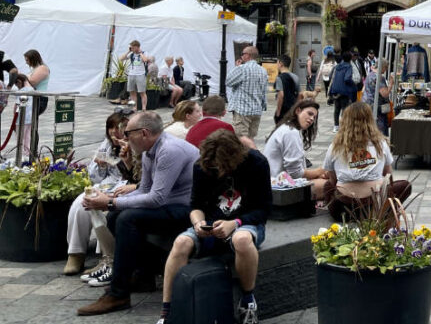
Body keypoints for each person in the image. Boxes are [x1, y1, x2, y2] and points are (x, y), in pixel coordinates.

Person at [77, 111, 200, 316]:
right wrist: (110, 203)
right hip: (171, 204)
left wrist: (109, 202)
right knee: (116, 216)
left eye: (127, 133)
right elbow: (144, 189)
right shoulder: (151, 149)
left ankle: (118, 294)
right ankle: (143, 274)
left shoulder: (169, 150)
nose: (124, 138)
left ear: (143, 133)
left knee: (127, 219)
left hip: (191, 211)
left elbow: (156, 199)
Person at [157, 130, 271, 324]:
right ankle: (166, 312)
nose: (218, 170)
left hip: (245, 222)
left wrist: (234, 224)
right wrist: (198, 223)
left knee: (241, 240)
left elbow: (264, 209)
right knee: (181, 242)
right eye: (214, 167)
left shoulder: (256, 163)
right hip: (211, 223)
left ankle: (247, 300)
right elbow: (195, 206)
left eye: (221, 166)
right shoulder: (202, 166)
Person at [63, 112, 133, 276]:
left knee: (103, 208)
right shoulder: (106, 145)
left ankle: (106, 256)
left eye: (118, 128)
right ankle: (75, 253)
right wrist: (100, 165)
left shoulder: (135, 143)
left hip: (127, 187)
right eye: (111, 128)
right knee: (81, 203)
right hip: (107, 184)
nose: (114, 132)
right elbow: (94, 177)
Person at [323, 101, 394, 220]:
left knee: (327, 186)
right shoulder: (381, 144)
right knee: (402, 186)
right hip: (374, 205)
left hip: (343, 207)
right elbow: (388, 175)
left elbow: (333, 179)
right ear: (370, 120)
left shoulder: (335, 146)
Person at [263, 98, 328, 199]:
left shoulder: (287, 127)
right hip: (278, 188)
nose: (312, 119)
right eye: (309, 114)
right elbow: (295, 174)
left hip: (276, 184)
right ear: (298, 111)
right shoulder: (291, 132)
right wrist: (318, 171)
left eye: (314, 117)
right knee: (331, 185)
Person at [225, 46, 267, 141]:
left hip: (242, 110)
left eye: (242, 54)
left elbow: (228, 82)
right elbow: (264, 90)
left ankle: (243, 155)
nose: (241, 56)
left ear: (247, 55)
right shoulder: (263, 70)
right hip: (256, 110)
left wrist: (236, 67)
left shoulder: (242, 69)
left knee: (241, 138)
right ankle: (250, 155)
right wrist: (263, 105)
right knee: (251, 138)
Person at [327, 52, 358, 133]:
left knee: (337, 109)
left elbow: (332, 77)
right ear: (350, 59)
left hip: (335, 90)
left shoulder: (337, 66)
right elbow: (347, 78)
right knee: (345, 109)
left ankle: (336, 126)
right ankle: (344, 126)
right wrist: (353, 84)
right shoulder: (349, 66)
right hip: (344, 90)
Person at [120, 41, 151, 112]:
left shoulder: (144, 53)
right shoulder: (131, 54)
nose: (132, 49)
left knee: (142, 92)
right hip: (131, 74)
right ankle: (134, 107)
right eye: (131, 47)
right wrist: (128, 51)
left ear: (137, 47)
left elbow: (145, 60)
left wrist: (140, 53)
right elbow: (121, 59)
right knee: (132, 92)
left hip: (140, 74)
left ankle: (144, 108)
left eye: (133, 47)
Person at [273, 55, 300, 124]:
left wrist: (278, 111)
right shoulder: (295, 77)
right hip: (293, 107)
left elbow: (281, 95)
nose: (276, 65)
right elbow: (299, 94)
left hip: (284, 109)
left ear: (281, 63)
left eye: (277, 63)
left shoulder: (280, 78)